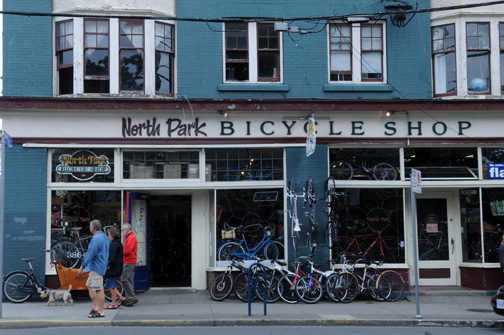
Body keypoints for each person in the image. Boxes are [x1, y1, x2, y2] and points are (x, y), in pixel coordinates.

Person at [78, 219, 110, 318]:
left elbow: (90, 254)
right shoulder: (105, 237)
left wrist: (82, 266)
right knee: (89, 285)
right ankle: (95, 307)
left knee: (98, 288)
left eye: (90, 227)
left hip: (96, 266)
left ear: (92, 228)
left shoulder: (96, 239)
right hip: (101, 265)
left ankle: (101, 311)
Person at [104, 226, 124, 309]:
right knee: (108, 284)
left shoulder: (114, 245)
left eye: (108, 234)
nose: (108, 236)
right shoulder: (118, 243)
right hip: (116, 267)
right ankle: (120, 297)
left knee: (112, 286)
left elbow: (112, 257)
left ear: (112, 235)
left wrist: (109, 265)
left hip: (114, 268)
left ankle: (113, 303)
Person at [121, 222, 139, 307]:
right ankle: (129, 299)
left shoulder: (131, 238)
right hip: (131, 261)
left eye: (123, 230)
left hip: (129, 261)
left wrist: (122, 252)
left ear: (127, 230)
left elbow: (127, 251)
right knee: (129, 280)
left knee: (124, 279)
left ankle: (132, 297)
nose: (122, 232)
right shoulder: (130, 237)